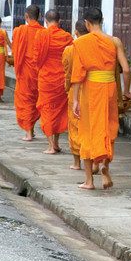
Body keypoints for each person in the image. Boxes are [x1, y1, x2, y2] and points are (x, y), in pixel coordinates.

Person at [71, 8, 131, 189]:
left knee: (88, 130)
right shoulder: (114, 41)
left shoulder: (81, 42)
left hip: (90, 90)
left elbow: (77, 75)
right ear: (102, 20)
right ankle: (105, 165)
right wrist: (126, 92)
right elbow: (126, 70)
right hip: (110, 89)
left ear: (87, 23)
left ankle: (89, 181)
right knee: (108, 127)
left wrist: (75, 100)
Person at [34, 10, 74, 155]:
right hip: (62, 78)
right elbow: (71, 57)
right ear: (59, 20)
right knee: (59, 111)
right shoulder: (67, 37)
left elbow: (36, 57)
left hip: (46, 78)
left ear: (45, 21)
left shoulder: (41, 35)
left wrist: (38, 68)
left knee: (47, 110)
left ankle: (51, 145)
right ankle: (56, 143)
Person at [12, 5, 45, 141]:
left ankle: (28, 132)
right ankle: (30, 128)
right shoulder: (44, 32)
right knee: (35, 100)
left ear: (26, 16)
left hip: (25, 71)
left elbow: (16, 50)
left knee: (25, 100)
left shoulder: (20, 31)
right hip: (39, 72)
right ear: (40, 16)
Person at [63, 19, 88, 170]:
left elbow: (67, 72)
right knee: (89, 126)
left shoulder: (70, 49)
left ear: (76, 32)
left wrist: (67, 87)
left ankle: (77, 163)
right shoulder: (96, 47)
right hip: (92, 90)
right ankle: (93, 163)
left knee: (74, 126)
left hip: (75, 90)